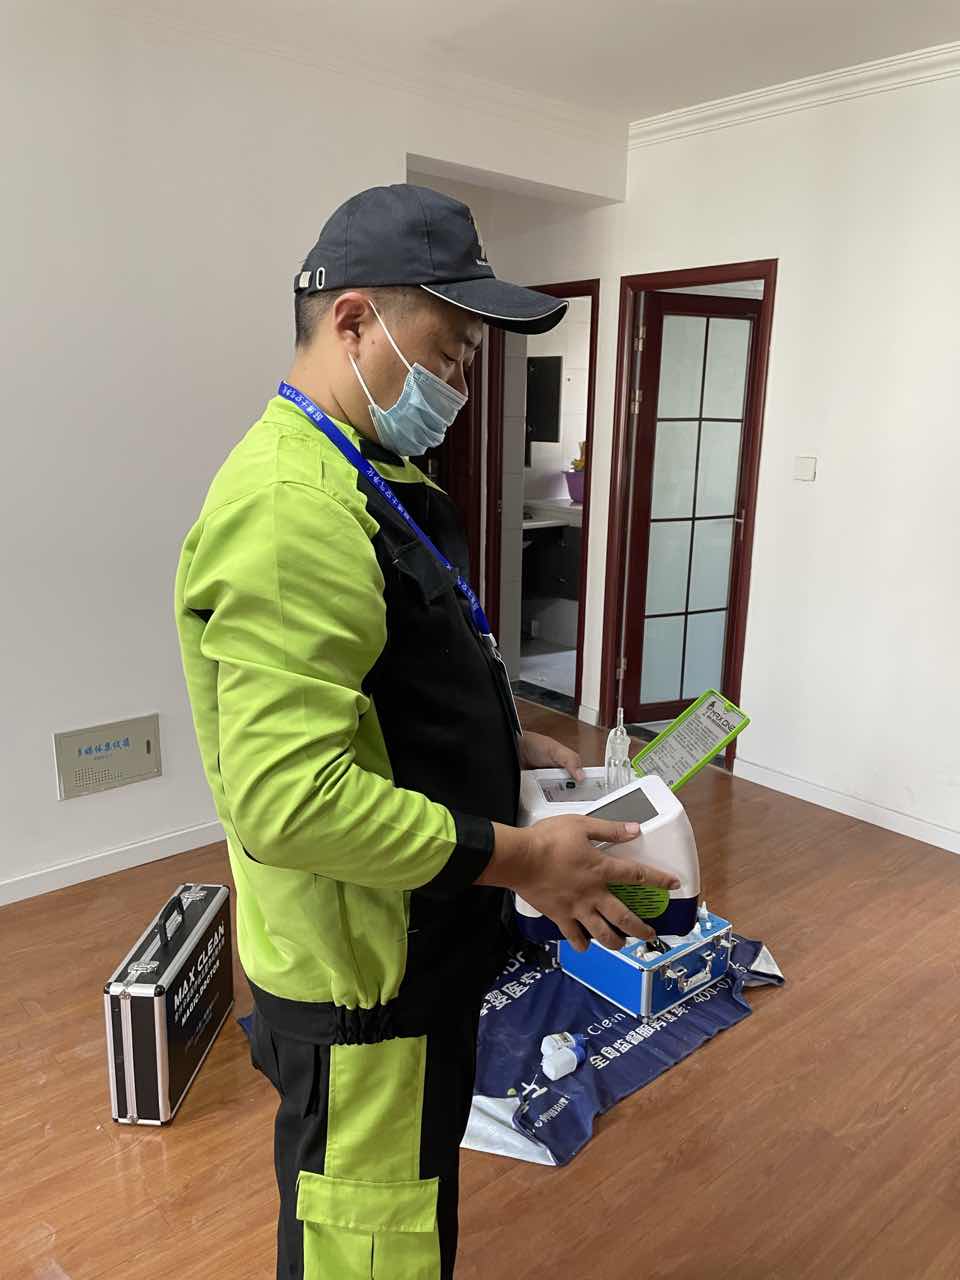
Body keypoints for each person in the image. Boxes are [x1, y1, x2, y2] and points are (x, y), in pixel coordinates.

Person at [174, 183, 679, 1280]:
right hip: (365, 976)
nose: (459, 385)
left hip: (422, 941)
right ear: (353, 320)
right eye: (448, 354)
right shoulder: (291, 509)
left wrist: (511, 740)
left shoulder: (370, 473)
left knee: (409, 1206)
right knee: (371, 1247)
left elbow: (399, 682)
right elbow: (289, 800)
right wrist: (522, 857)